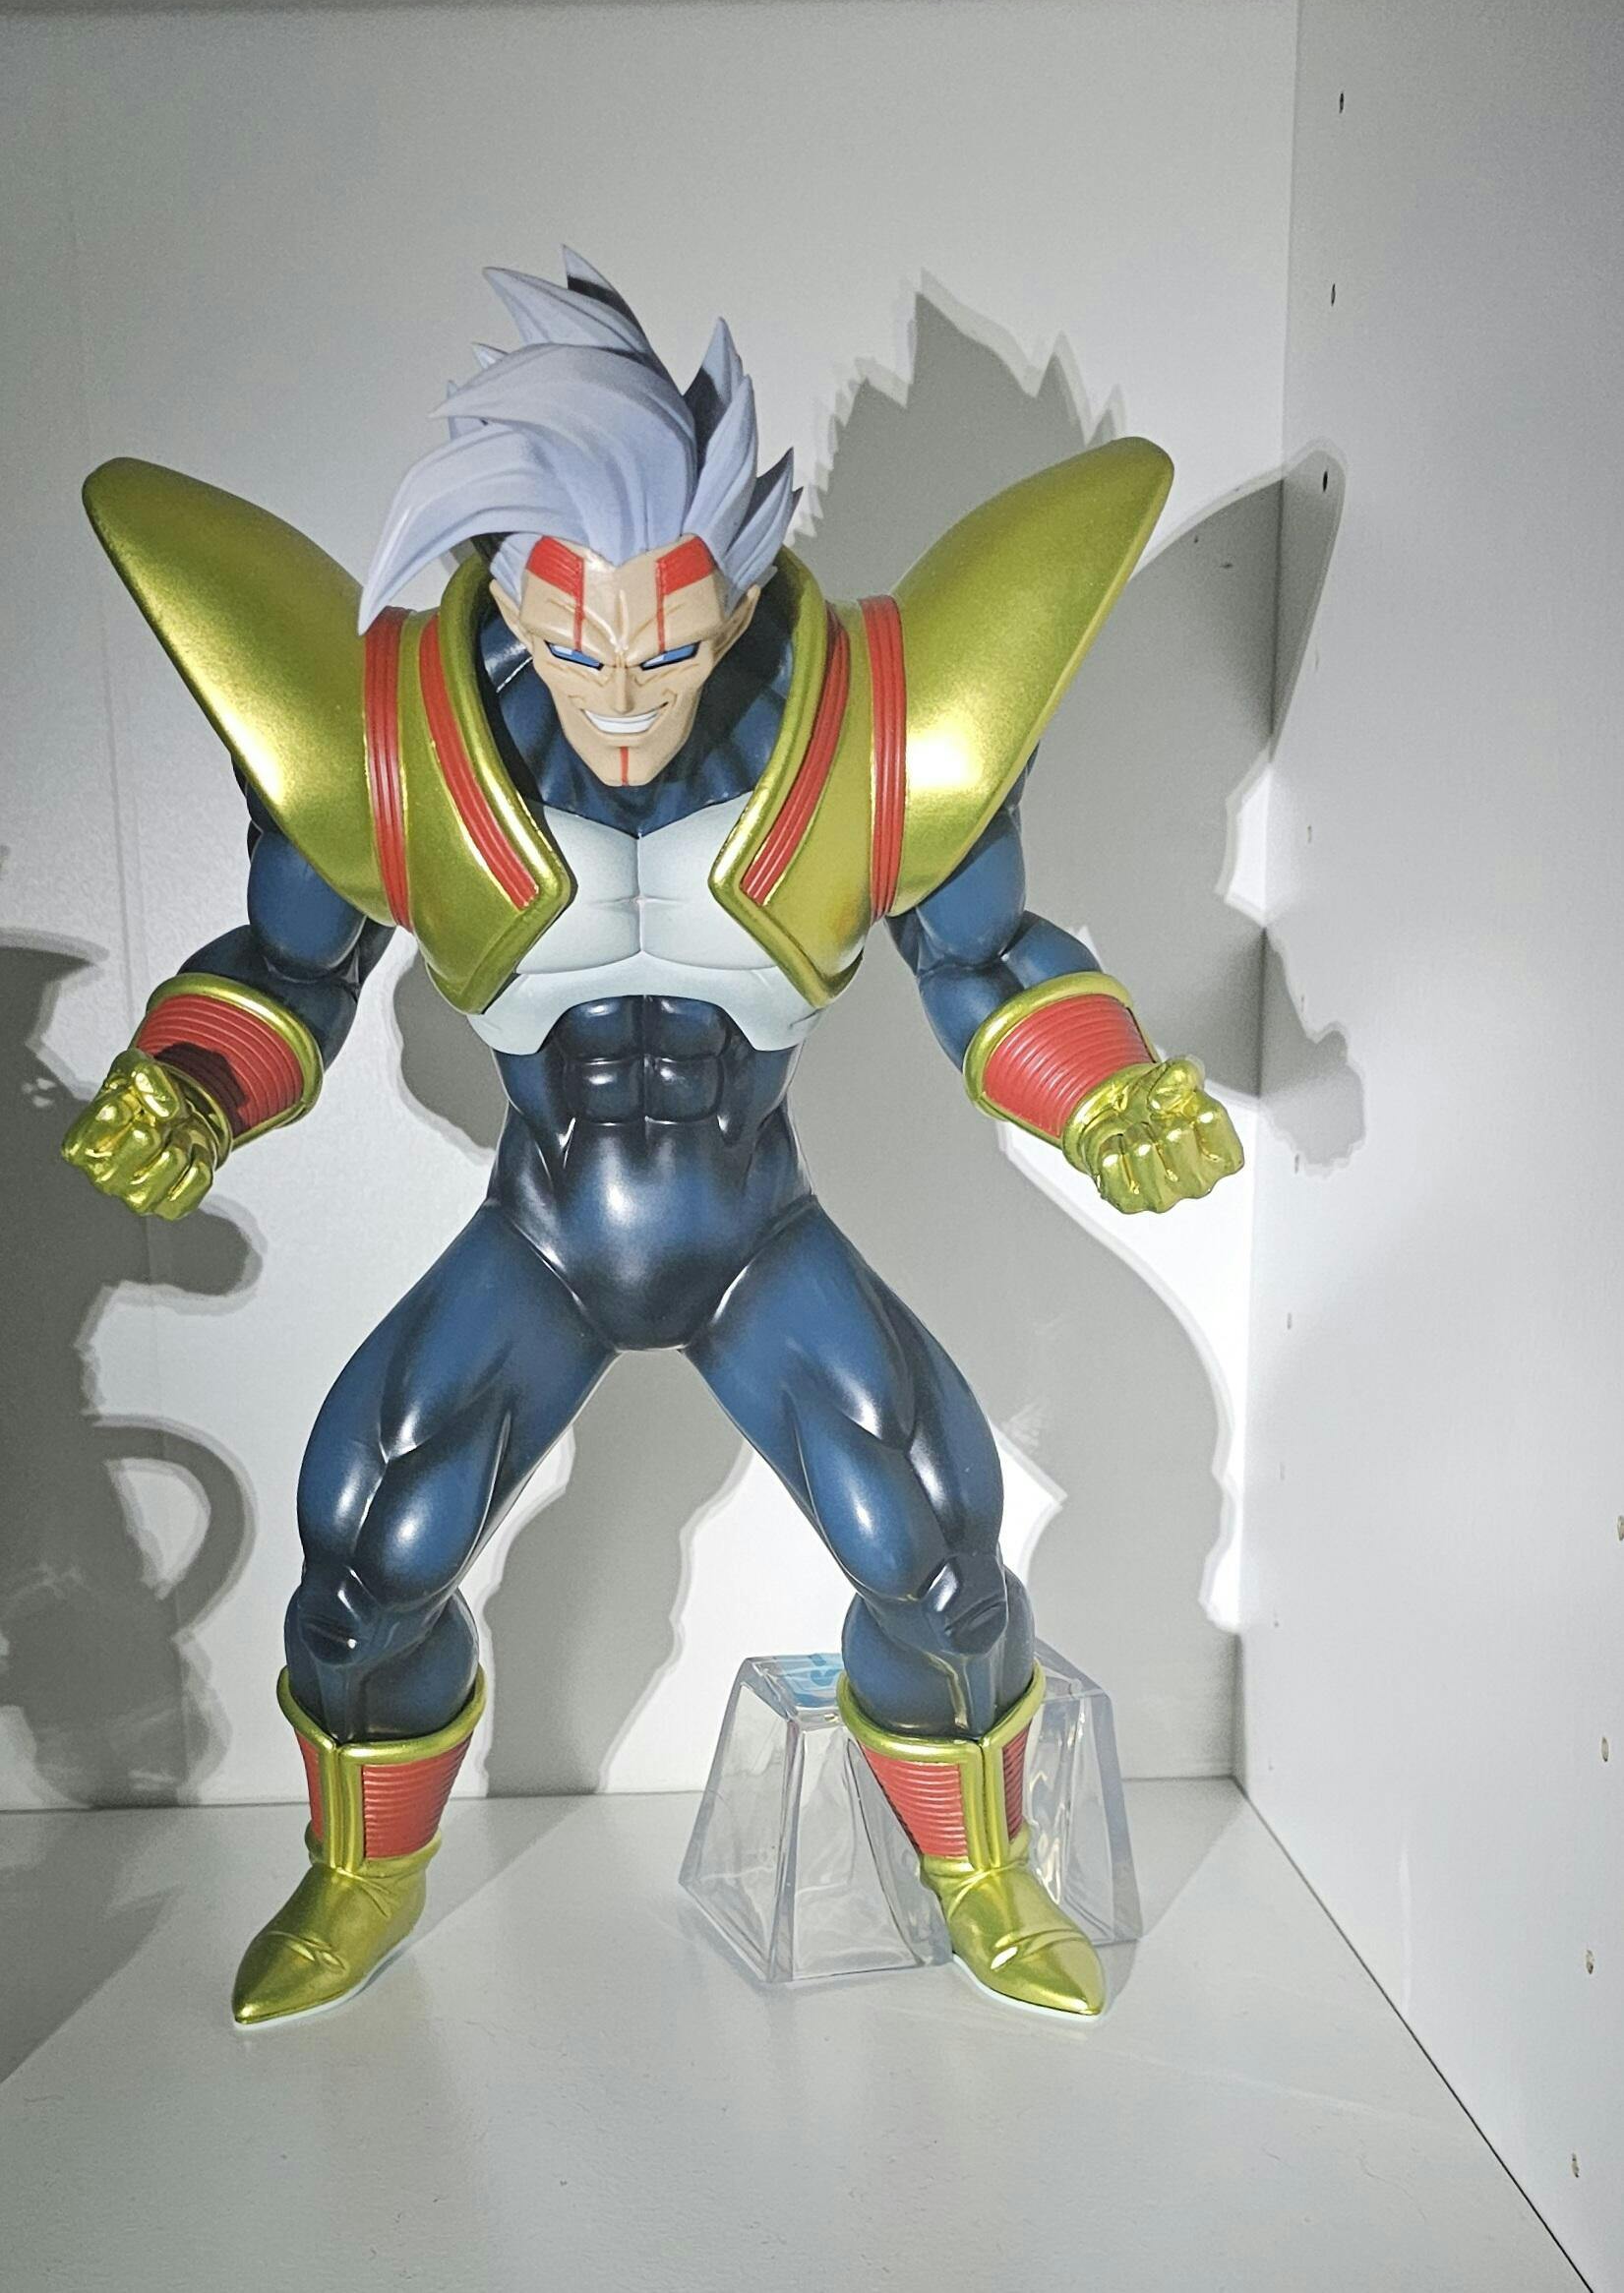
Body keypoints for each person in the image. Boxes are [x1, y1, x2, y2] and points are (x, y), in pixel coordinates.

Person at [63, 253, 1241, 2026]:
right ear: (501, 590)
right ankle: (362, 1871)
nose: (622, 691)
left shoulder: (856, 727)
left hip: (755, 1229)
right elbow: (288, 968)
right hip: (541, 1235)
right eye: (578, 641)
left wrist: (1112, 1095)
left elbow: (986, 955)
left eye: (671, 645)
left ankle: (980, 1868)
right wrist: (186, 1084)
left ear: (738, 592)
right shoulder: (398, 739)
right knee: (364, 1558)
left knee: (939, 1552)